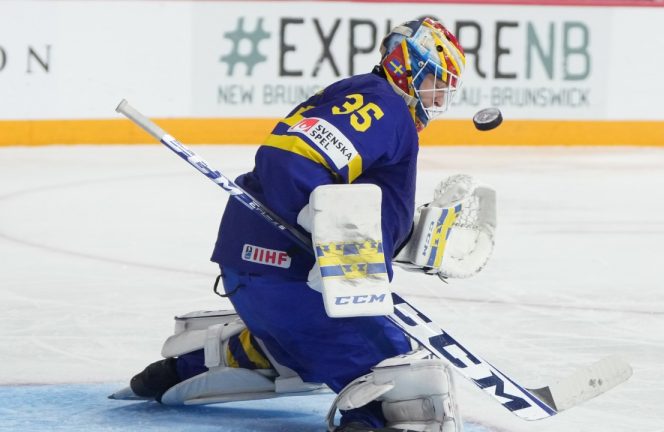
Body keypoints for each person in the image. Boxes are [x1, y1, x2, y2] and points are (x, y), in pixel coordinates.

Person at [117, 18, 496, 432]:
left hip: (258, 271)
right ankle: (369, 420)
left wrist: (404, 236)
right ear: (408, 66)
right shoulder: (385, 106)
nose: (439, 95)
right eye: (435, 81)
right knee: (399, 375)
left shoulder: (366, 97)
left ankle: (220, 358)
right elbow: (290, 160)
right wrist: (333, 242)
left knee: (304, 353)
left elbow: (340, 191)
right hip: (291, 275)